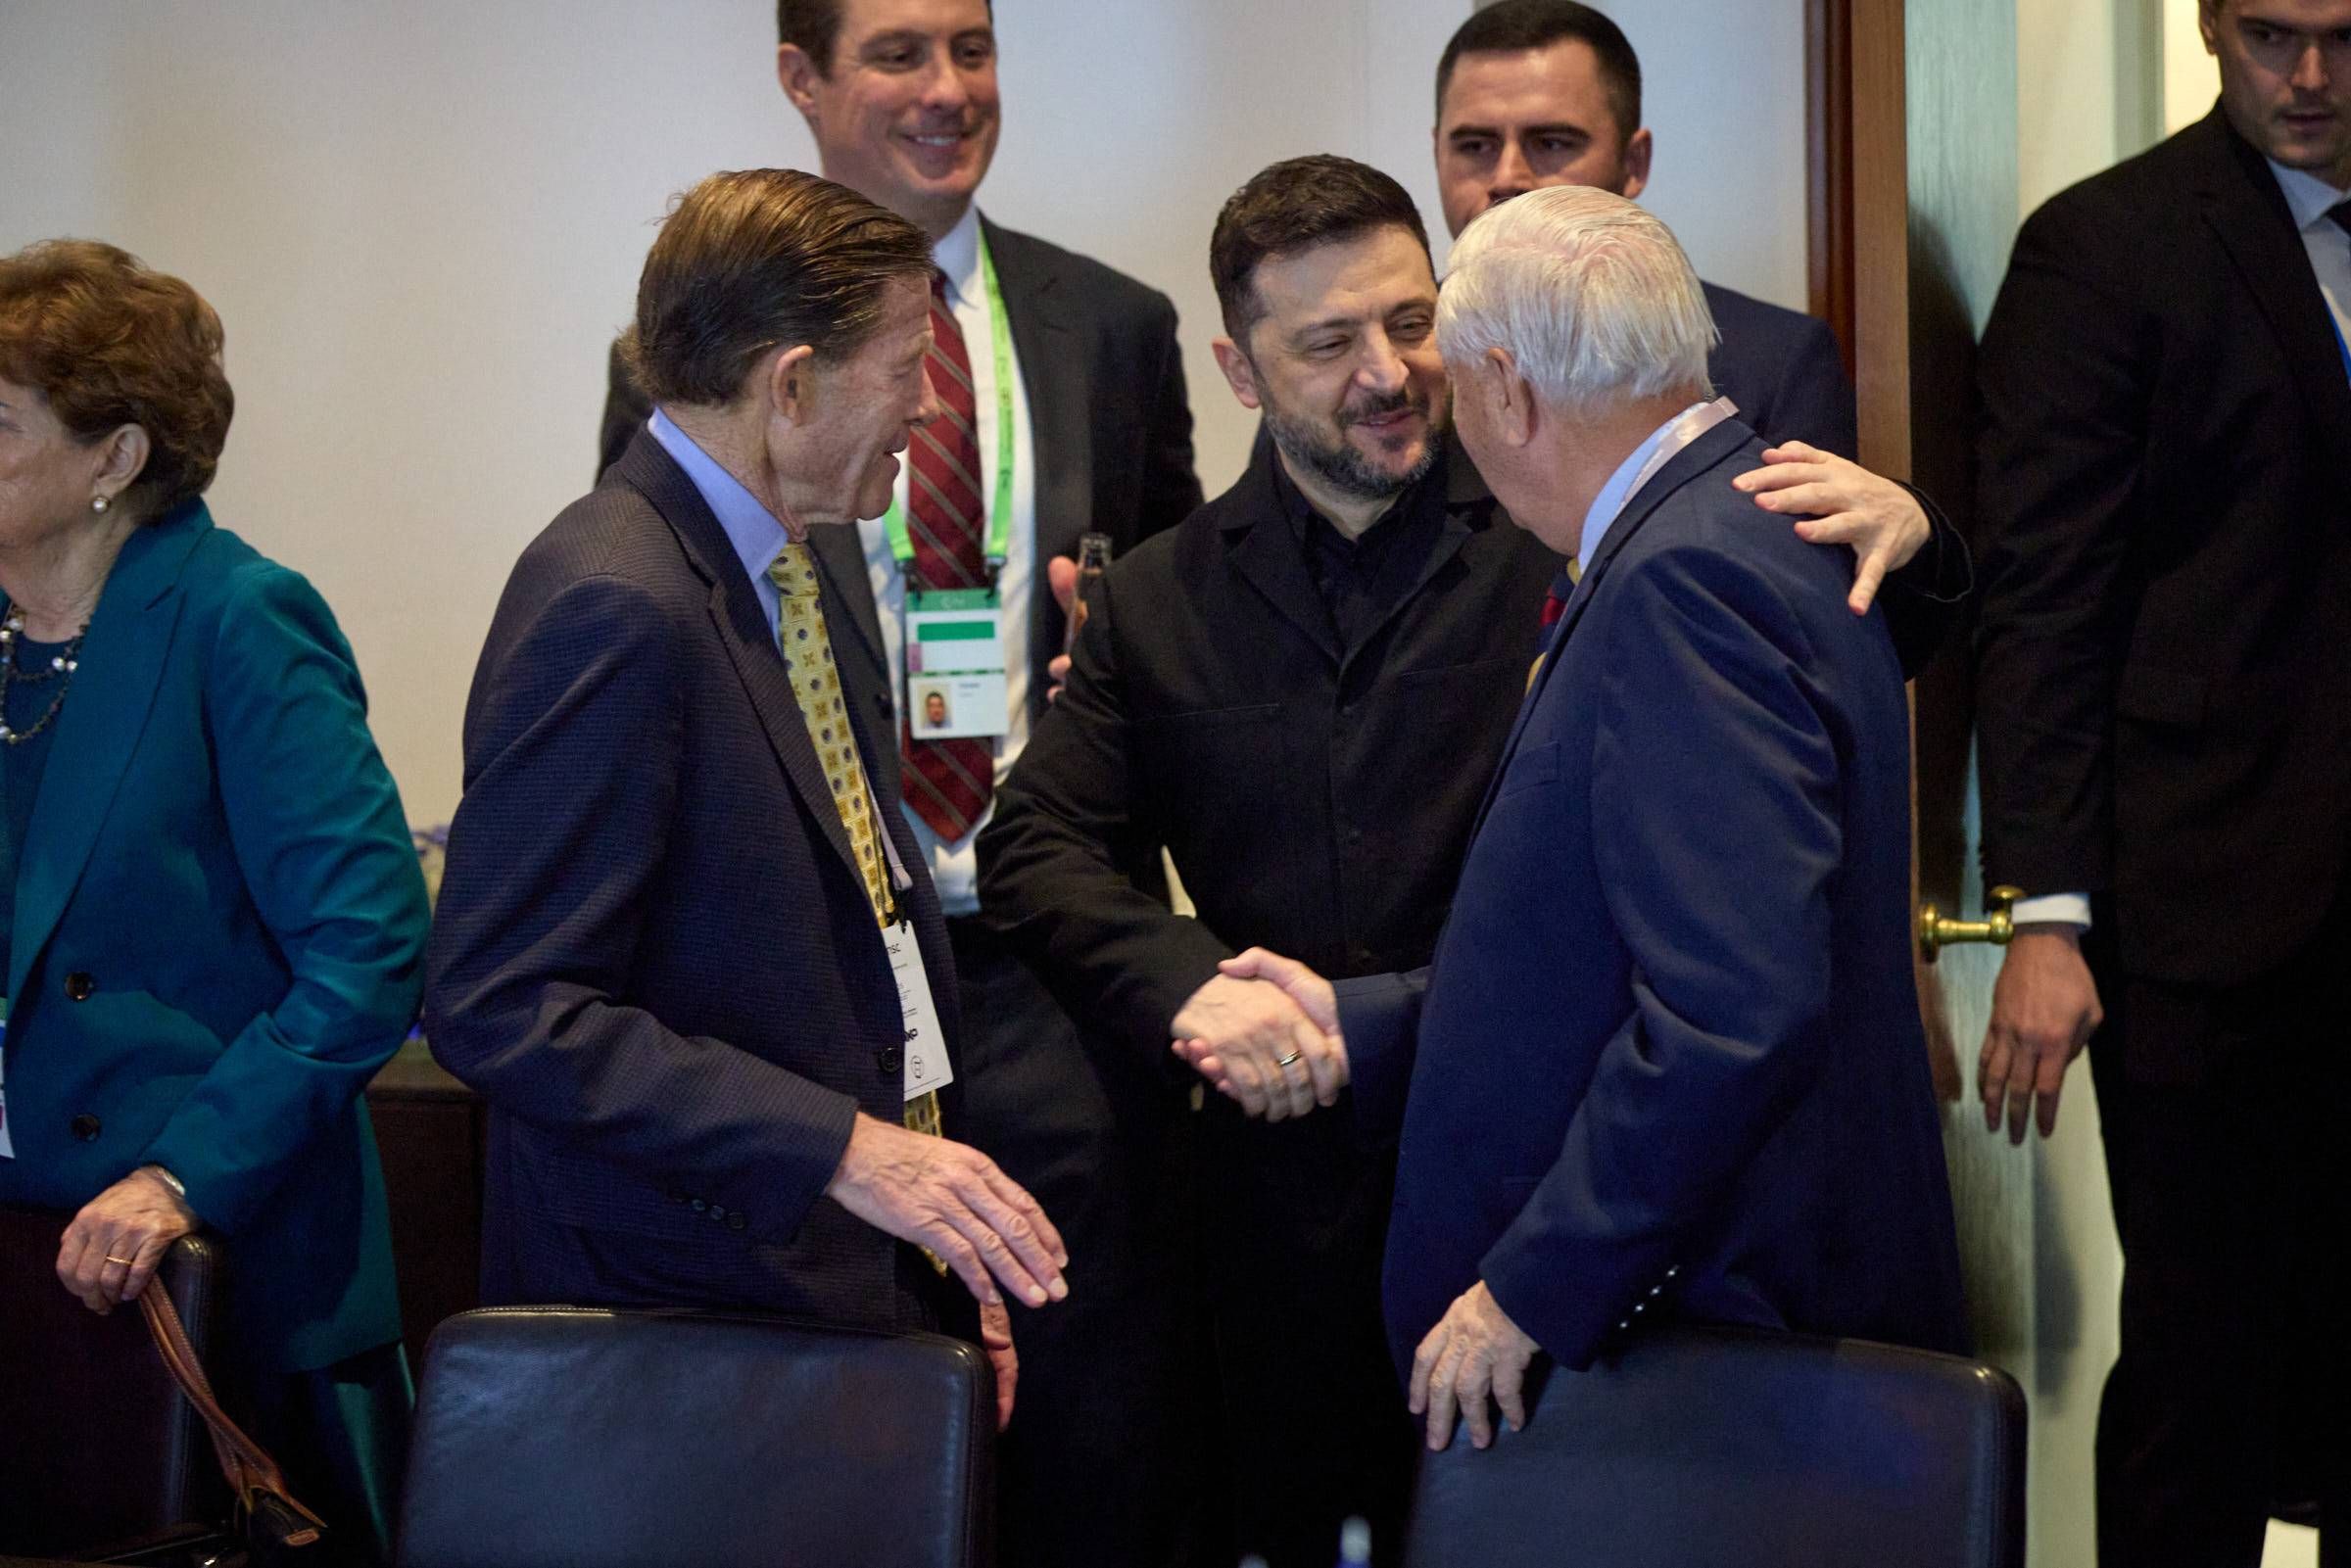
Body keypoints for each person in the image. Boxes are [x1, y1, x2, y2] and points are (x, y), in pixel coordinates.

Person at [980, 155, 1945, 1568]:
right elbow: (1033, 842)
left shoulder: (1586, 533)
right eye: (1329, 342)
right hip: (1297, 1219)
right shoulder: (1158, 597)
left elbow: (1736, 939)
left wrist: (1923, 544)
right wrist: (1201, 992)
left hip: (1585, 1212)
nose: (1388, 374)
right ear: (1240, 371)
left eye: (1411, 323)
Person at [598, 11, 1203, 1558]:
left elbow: (1185, 622)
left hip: (1049, 962)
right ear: (801, 81)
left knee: (1079, 1406)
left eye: (971, 49)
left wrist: (1126, 680)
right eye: (897, 54)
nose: (947, 91)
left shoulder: (1114, 325)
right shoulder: (684, 374)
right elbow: (682, 647)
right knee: (848, 1424)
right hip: (824, 985)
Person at [426, 170, 1066, 1432]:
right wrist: (843, 1146)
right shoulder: (617, 599)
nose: (930, 406)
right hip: (681, 1324)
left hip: (823, 1273)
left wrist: (922, 1216)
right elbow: (505, 1004)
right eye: (908, 369)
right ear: (793, 385)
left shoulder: (782, 558)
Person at [1971, 2, 2351, 1560]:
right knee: (2201, 1378)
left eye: (2346, 35)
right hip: (2208, 920)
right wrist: (2045, 913)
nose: (2309, 75)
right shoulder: (2106, 249)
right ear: (2206, 22)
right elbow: (2043, 599)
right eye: (2271, 33)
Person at [0, 240, 429, 1563]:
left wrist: (182, 1173)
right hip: (24, 1264)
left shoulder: (240, 618)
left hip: (212, 1269)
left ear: (114, 458)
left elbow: (368, 948)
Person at [1433, 0, 1859, 455]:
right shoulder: (1402, 357)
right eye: (1475, 146)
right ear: (1436, 151)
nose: (1507, 178)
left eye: (1552, 143)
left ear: (1634, 162)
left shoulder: (1774, 362)